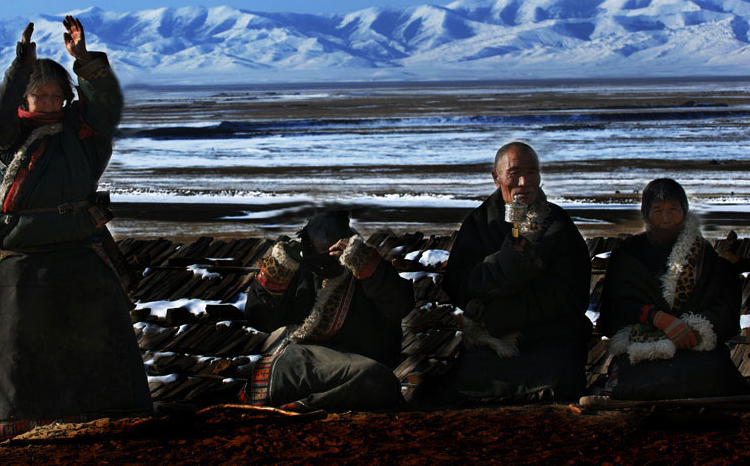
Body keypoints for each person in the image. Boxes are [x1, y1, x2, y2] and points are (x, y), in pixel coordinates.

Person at [0, 17, 150, 444]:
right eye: (40, 96)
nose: (50, 105)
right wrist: (20, 68)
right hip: (25, 264)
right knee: (22, 354)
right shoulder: (9, 138)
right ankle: (22, 433)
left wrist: (85, 62)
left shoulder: (81, 137)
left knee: (98, 346)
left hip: (80, 255)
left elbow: (104, 107)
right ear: (25, 100)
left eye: (58, 97)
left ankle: (110, 421)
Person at [441, 142, 591, 401]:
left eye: (532, 172)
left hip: (550, 335)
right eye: (515, 173)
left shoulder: (558, 224)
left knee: (558, 383)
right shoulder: (479, 224)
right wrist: (506, 265)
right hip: (493, 338)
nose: (524, 181)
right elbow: (459, 286)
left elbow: (574, 295)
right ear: (496, 177)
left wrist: (513, 312)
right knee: (469, 387)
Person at [242, 211, 415, 412]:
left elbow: (400, 306)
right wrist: (277, 271)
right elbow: (259, 318)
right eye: (322, 254)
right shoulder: (297, 268)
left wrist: (366, 266)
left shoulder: (363, 264)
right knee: (377, 380)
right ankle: (305, 408)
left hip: (357, 368)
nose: (329, 260)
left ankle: (304, 408)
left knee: (379, 380)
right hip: (300, 363)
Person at [598, 178, 748, 399]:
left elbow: (726, 310)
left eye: (673, 210)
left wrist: (692, 329)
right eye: (657, 210)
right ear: (646, 214)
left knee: (711, 377)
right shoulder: (628, 255)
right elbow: (613, 311)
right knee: (639, 383)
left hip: (696, 350)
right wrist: (658, 319)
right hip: (643, 352)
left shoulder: (704, 256)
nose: (666, 219)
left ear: (684, 212)